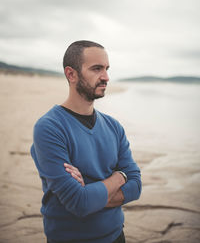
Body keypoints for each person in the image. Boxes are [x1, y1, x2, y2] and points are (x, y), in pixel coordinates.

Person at [31, 40, 142, 243]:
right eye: (96, 69)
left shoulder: (113, 126)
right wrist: (119, 177)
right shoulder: (49, 128)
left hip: (117, 236)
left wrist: (91, 194)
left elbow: (136, 186)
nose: (106, 77)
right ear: (71, 74)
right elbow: (79, 202)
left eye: (107, 69)